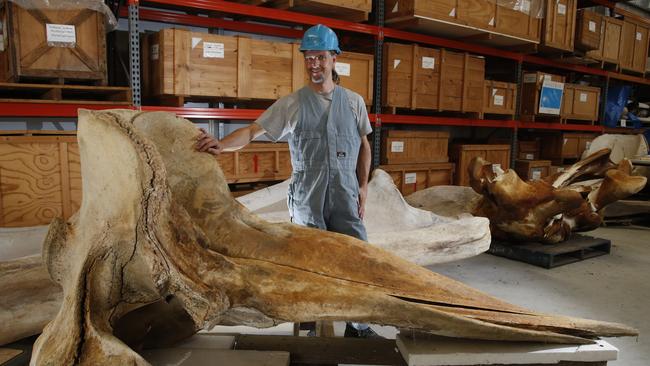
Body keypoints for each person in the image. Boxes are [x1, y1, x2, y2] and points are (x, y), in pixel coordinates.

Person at [195, 24, 377, 338]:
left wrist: (362, 186)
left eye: (320, 57)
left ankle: (357, 326)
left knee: (357, 261)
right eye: (309, 58)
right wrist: (223, 144)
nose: (314, 64)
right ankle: (310, 330)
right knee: (305, 266)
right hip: (308, 199)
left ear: (334, 59)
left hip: (345, 196)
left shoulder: (354, 102)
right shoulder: (292, 104)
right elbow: (253, 131)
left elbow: (364, 145)